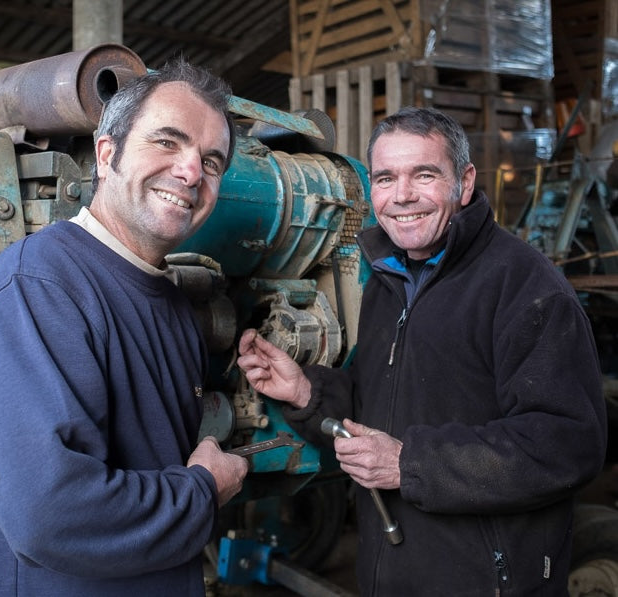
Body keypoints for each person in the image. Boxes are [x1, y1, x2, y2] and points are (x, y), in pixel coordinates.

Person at [237, 106, 607, 596]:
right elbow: (387, 403)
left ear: (465, 181)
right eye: (386, 178)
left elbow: (564, 444)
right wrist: (306, 390)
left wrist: (409, 465)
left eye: (424, 174)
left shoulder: (527, 289)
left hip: (487, 580)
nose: (403, 196)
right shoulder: (388, 279)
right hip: (391, 572)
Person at [0, 59, 248, 596]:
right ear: (106, 155)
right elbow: (51, 513)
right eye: (167, 142)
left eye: (212, 161)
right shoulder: (36, 290)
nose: (192, 172)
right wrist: (202, 491)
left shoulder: (172, 303)